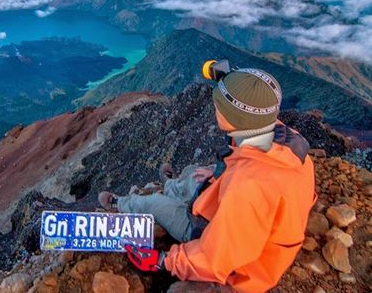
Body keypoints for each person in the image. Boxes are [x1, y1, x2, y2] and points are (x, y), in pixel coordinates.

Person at [98, 62, 316, 293]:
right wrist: (220, 174)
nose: (214, 109)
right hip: (241, 226)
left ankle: (119, 203)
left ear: (235, 119)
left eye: (219, 106)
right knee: (195, 175)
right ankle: (171, 184)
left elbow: (215, 258)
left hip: (238, 262)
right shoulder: (285, 144)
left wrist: (162, 260)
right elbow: (252, 166)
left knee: (154, 203)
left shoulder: (246, 190)